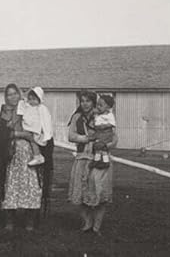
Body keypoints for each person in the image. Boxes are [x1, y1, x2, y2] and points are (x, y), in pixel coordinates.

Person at [68, 90, 118, 235]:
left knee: (99, 193)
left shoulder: (103, 116)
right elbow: (70, 136)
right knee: (82, 194)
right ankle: (87, 223)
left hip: (100, 159)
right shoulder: (77, 117)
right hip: (83, 157)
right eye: (82, 101)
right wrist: (86, 138)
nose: (85, 104)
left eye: (88, 101)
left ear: (94, 102)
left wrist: (105, 145)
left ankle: (97, 226)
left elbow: (115, 139)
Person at [0, 83, 43, 231]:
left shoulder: (29, 108)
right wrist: (21, 134)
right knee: (11, 185)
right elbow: (0, 132)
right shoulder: (3, 111)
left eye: (15, 93)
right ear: (5, 97)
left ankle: (30, 220)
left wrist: (31, 137)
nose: (13, 97)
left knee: (30, 184)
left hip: (29, 152)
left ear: (19, 94)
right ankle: (10, 220)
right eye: (9, 94)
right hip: (11, 153)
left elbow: (38, 127)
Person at [17, 87, 53, 166]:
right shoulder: (28, 107)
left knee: (33, 140)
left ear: (39, 99)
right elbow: (22, 104)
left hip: (37, 130)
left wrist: (46, 132)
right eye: (30, 99)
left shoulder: (42, 108)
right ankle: (37, 156)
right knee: (29, 138)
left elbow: (46, 121)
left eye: (34, 99)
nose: (31, 101)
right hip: (29, 128)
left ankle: (38, 156)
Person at [89, 95, 116, 169]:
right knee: (97, 147)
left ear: (108, 107)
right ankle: (96, 160)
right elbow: (95, 122)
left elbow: (112, 123)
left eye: (101, 105)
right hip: (99, 132)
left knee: (102, 147)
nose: (98, 107)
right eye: (97, 105)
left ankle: (106, 162)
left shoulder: (109, 115)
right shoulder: (98, 115)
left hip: (105, 133)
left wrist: (104, 126)